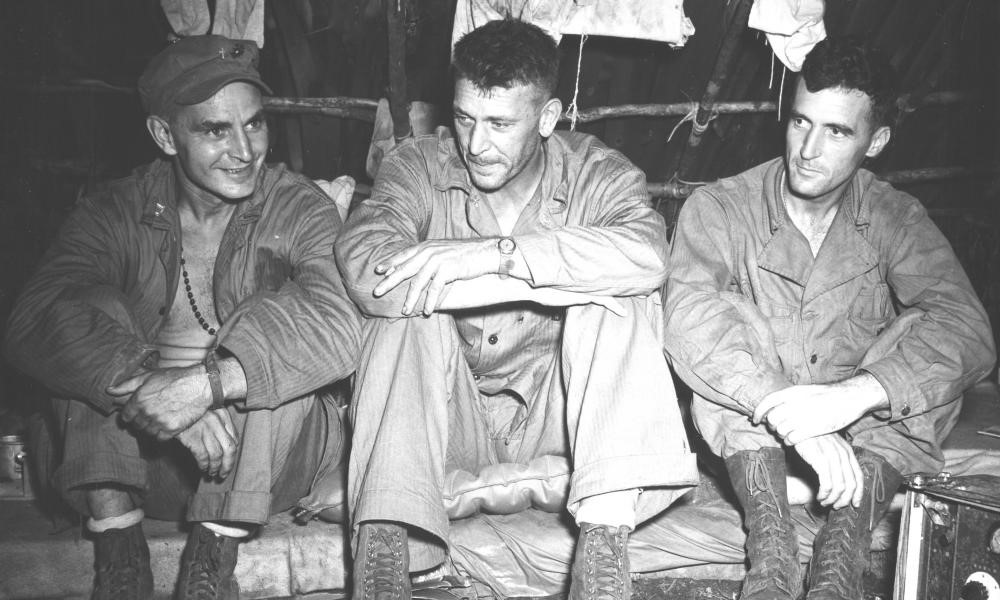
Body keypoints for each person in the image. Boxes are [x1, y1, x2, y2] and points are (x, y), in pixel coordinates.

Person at [335, 18, 698, 600]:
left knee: (619, 302)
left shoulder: (595, 173)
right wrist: (550, 276)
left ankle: (602, 563)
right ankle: (383, 559)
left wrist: (493, 258)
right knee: (406, 316)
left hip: (565, 426)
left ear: (548, 119)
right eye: (465, 118)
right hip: (446, 424)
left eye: (501, 124)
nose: (476, 145)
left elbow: (647, 254)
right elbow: (367, 267)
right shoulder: (419, 166)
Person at [5, 35, 361, 600]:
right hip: (138, 467)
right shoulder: (115, 210)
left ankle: (210, 566)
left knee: (274, 315)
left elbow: (341, 327)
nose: (245, 150)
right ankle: (121, 558)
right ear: (165, 136)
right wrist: (145, 383)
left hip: (269, 467)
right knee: (88, 315)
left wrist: (205, 385)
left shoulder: (294, 206)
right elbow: (29, 320)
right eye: (216, 131)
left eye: (255, 124)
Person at [663, 36, 996, 600]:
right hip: (757, 433)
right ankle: (769, 558)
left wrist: (852, 397)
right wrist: (789, 411)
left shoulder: (894, 216)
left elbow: (969, 329)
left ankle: (839, 558)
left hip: (861, 439)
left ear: (876, 141)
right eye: (800, 122)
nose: (808, 149)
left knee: (927, 347)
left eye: (837, 131)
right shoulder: (721, 206)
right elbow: (685, 315)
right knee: (721, 335)